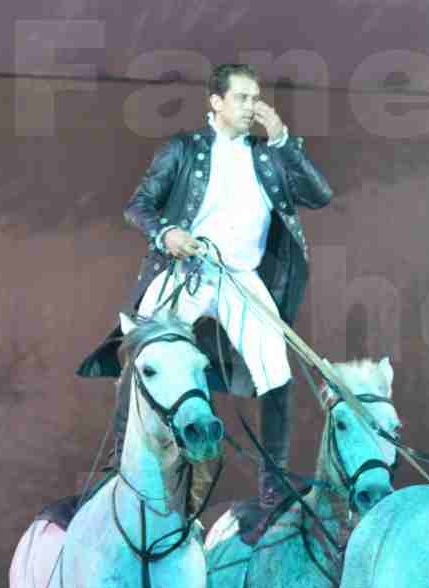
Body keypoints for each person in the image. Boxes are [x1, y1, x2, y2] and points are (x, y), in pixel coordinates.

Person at [78, 62, 333, 513]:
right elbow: (138, 206)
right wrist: (166, 235)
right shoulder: (183, 149)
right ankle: (119, 468)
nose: (252, 105)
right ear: (215, 102)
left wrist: (283, 141)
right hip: (186, 270)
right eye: (242, 97)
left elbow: (319, 195)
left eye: (255, 97)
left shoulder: (269, 153)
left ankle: (273, 487)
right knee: (144, 349)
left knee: (277, 368)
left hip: (239, 276)